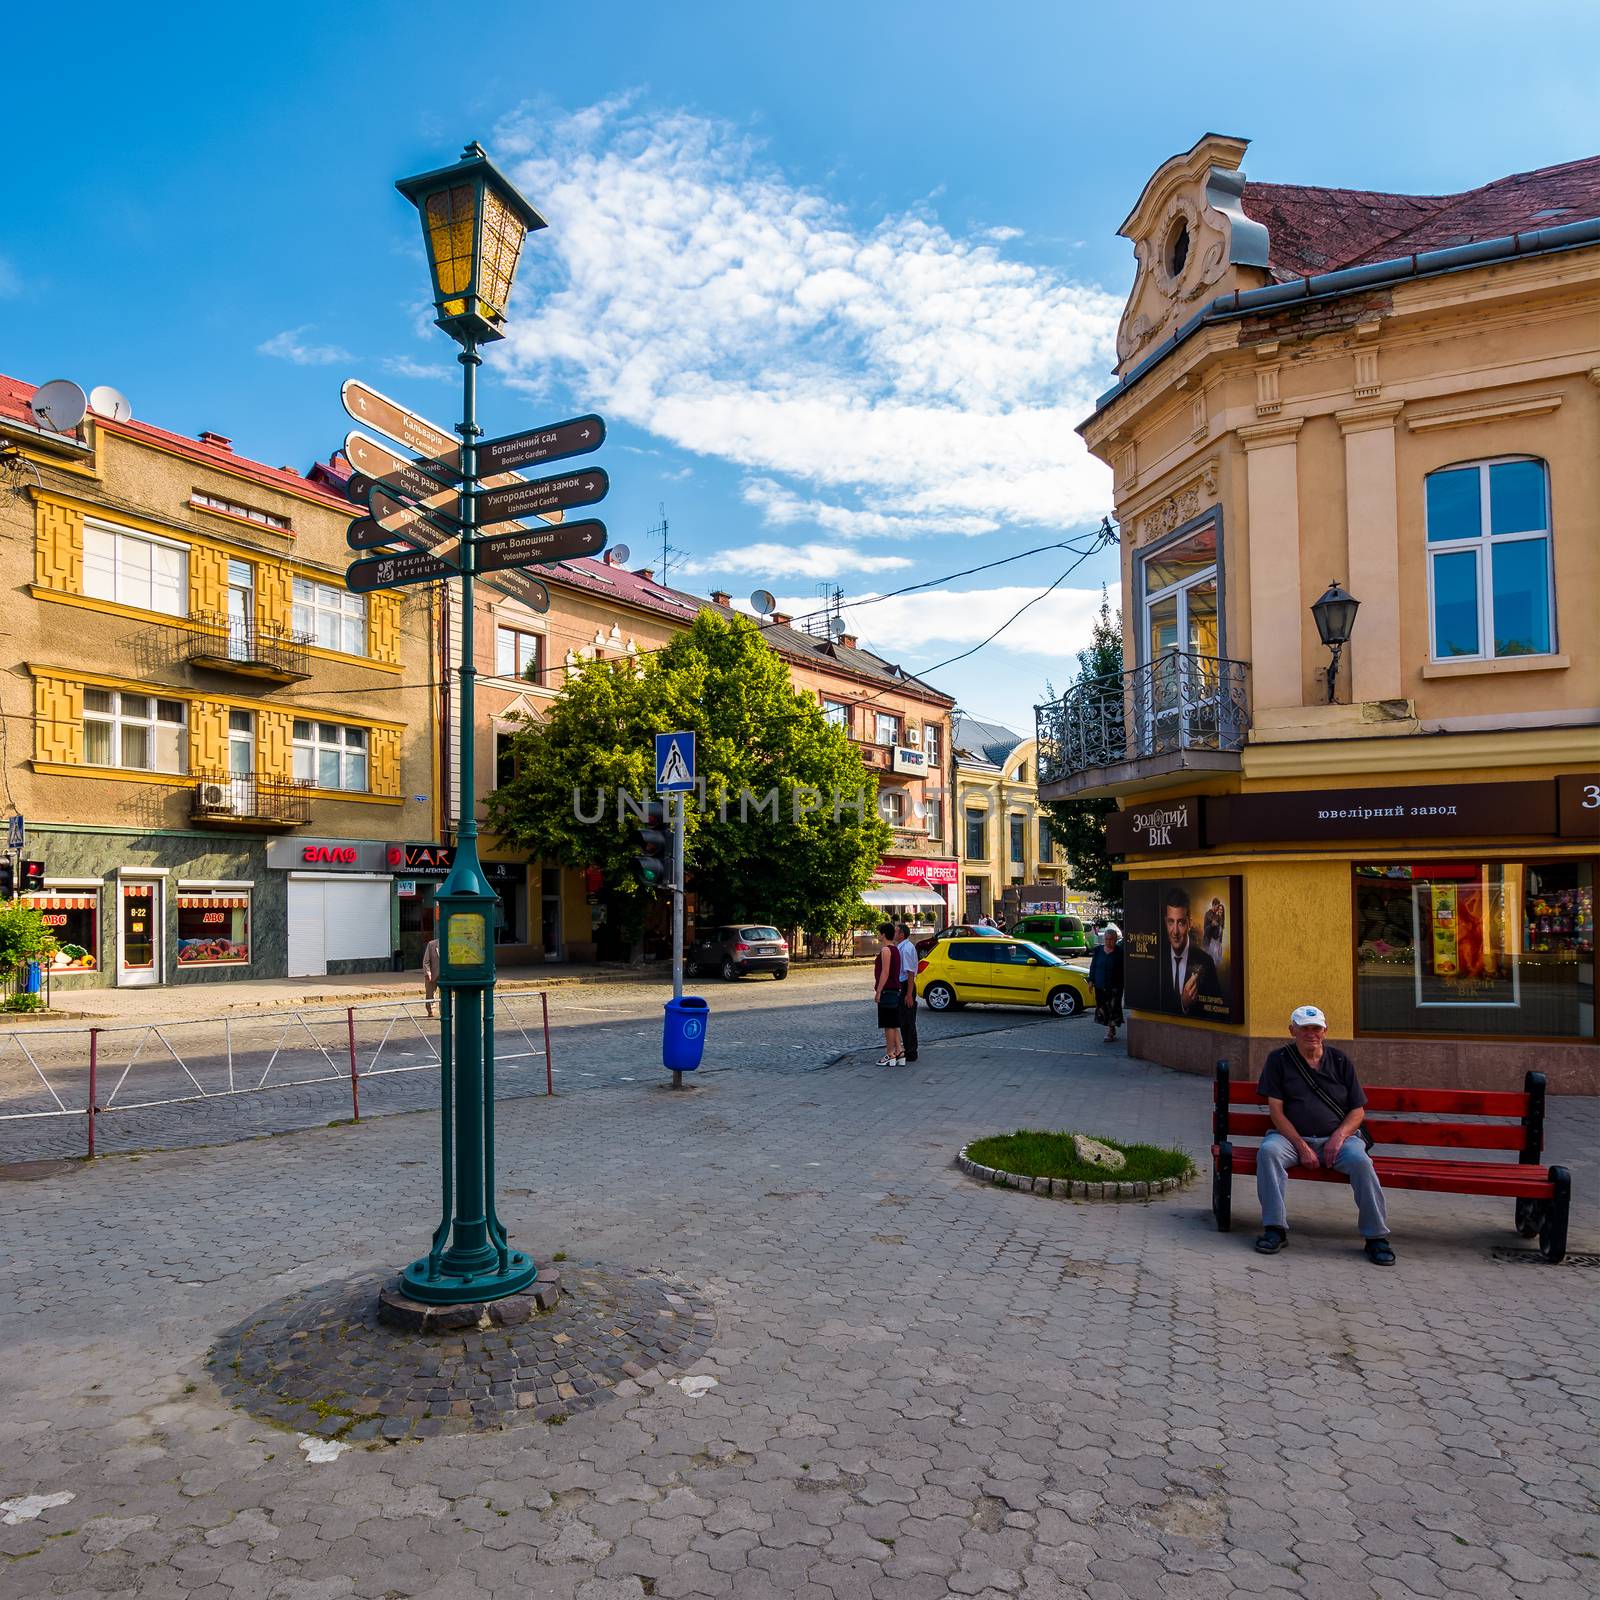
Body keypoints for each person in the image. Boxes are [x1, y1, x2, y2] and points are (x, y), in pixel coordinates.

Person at [1254, 1005, 1394, 1266]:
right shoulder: (1278, 1060)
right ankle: (1274, 1229)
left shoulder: (1340, 1061)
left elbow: (1358, 1111)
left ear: (1325, 1031)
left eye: (1316, 1028)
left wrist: (1339, 1137)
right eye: (1304, 1028)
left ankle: (1376, 1237)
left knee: (1362, 1163)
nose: (1311, 1034)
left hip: (1337, 1139)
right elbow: (1276, 1111)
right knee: (1269, 1153)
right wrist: (1301, 1146)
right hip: (1291, 1138)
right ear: (1291, 1030)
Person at [1156, 886, 1223, 1015]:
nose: (1175, 931)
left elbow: (1217, 1011)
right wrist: (1183, 1003)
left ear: (1189, 923)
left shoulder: (1206, 962)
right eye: (1171, 922)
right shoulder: (1157, 960)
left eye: (1180, 923)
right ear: (1165, 922)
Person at [872, 923, 904, 1066]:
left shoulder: (886, 950)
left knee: (888, 1025)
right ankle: (900, 1051)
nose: (877, 934)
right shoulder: (895, 949)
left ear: (884, 934)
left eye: (879, 932)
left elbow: (885, 973)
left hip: (887, 990)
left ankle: (890, 1054)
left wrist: (878, 991)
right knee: (893, 1023)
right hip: (895, 990)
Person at [1088, 924, 1125, 1043]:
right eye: (1107, 939)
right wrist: (1091, 980)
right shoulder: (1098, 950)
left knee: (1113, 1008)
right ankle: (1111, 1028)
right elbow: (1093, 966)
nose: (1109, 942)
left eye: (1112, 940)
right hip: (1100, 984)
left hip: (1115, 985)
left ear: (1115, 940)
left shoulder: (1120, 952)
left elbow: (1124, 969)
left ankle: (1111, 1031)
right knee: (1103, 1008)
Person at [895, 921, 920, 1063]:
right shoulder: (902, 947)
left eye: (896, 931)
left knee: (908, 1021)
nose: (894, 933)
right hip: (904, 985)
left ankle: (911, 1052)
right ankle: (909, 1049)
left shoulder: (906, 949)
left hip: (906, 986)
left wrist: (909, 994)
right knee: (904, 1021)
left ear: (902, 934)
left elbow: (910, 973)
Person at [1202, 898, 1225, 968]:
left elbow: (1219, 931)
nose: (1218, 909)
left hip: (1214, 944)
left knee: (1214, 965)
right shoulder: (1207, 914)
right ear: (1213, 905)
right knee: (1207, 965)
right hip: (1207, 943)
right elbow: (1205, 929)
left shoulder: (1217, 915)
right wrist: (1211, 925)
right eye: (1217, 907)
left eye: (1219, 907)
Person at [422, 934, 440, 1019]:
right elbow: (426, 961)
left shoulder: (451, 946)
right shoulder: (432, 944)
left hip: (445, 974)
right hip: (433, 973)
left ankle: (444, 1010)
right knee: (430, 993)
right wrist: (427, 973)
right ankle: (430, 1010)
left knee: (445, 993)